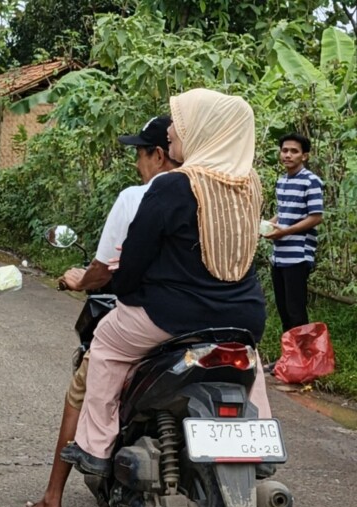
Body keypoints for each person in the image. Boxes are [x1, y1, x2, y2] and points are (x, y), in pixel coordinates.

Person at [61, 88, 272, 478]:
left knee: (106, 344)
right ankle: (256, 447)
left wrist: (123, 289)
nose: (172, 130)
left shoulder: (172, 185)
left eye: (180, 121)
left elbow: (136, 258)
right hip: (244, 315)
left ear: (205, 130)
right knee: (249, 362)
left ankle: (95, 447)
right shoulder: (250, 184)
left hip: (172, 318)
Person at [21, 116, 179, 507]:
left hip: (149, 317)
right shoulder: (215, 193)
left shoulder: (137, 197)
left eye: (140, 153)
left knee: (83, 387)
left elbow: (107, 268)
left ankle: (53, 499)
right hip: (217, 318)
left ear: (159, 155)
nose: (137, 164)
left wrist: (79, 280)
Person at [263, 132, 324, 341]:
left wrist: (285, 231)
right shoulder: (282, 181)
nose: (288, 155)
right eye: (285, 150)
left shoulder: (311, 181)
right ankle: (289, 359)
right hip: (279, 255)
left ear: (304, 156)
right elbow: (285, 211)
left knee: (296, 311)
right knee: (283, 310)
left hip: (298, 255)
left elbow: (316, 217)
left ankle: (303, 361)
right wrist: (269, 224)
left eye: (294, 151)